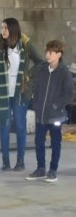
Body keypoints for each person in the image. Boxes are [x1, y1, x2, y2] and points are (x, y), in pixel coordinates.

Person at [0, 18, 44, 171]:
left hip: (20, 92)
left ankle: (21, 161)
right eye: (1, 27)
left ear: (12, 29)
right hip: (3, 92)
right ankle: (5, 161)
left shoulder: (26, 44)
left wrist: (28, 76)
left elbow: (41, 63)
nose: (2, 30)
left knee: (20, 126)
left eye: (5, 28)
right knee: (4, 126)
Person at [25, 40, 74, 183]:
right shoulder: (41, 69)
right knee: (38, 141)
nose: (47, 54)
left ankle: (53, 170)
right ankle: (41, 169)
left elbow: (69, 94)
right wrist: (36, 104)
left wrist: (55, 106)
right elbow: (36, 88)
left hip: (55, 116)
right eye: (47, 51)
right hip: (41, 114)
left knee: (56, 142)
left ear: (58, 54)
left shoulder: (64, 72)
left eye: (51, 52)